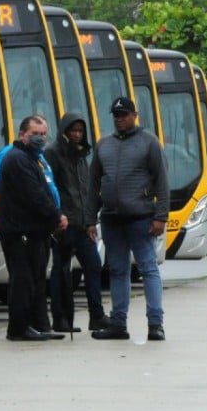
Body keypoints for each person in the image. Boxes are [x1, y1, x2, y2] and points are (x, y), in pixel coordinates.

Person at [85, 97, 170, 341]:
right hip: (111, 219)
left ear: (135, 115)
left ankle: (155, 324)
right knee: (117, 271)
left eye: (124, 114)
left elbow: (162, 182)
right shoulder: (104, 145)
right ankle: (118, 323)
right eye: (116, 115)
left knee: (148, 268)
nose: (120, 119)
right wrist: (90, 219)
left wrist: (161, 216)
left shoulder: (149, 143)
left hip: (141, 218)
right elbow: (93, 185)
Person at [0, 114, 67, 342]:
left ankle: (39, 325)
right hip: (19, 230)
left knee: (36, 280)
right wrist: (56, 216)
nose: (40, 138)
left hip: (34, 230)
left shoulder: (34, 158)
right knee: (23, 280)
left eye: (43, 134)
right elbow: (35, 195)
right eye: (35, 134)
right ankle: (18, 329)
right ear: (22, 135)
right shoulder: (17, 159)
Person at [44, 112, 107, 333]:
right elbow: (50, 188)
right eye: (73, 130)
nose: (77, 135)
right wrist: (56, 217)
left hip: (82, 223)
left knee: (94, 265)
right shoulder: (52, 153)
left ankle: (96, 315)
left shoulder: (81, 156)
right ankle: (60, 318)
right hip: (63, 223)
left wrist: (90, 220)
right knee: (61, 271)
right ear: (65, 131)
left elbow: (87, 190)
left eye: (80, 131)